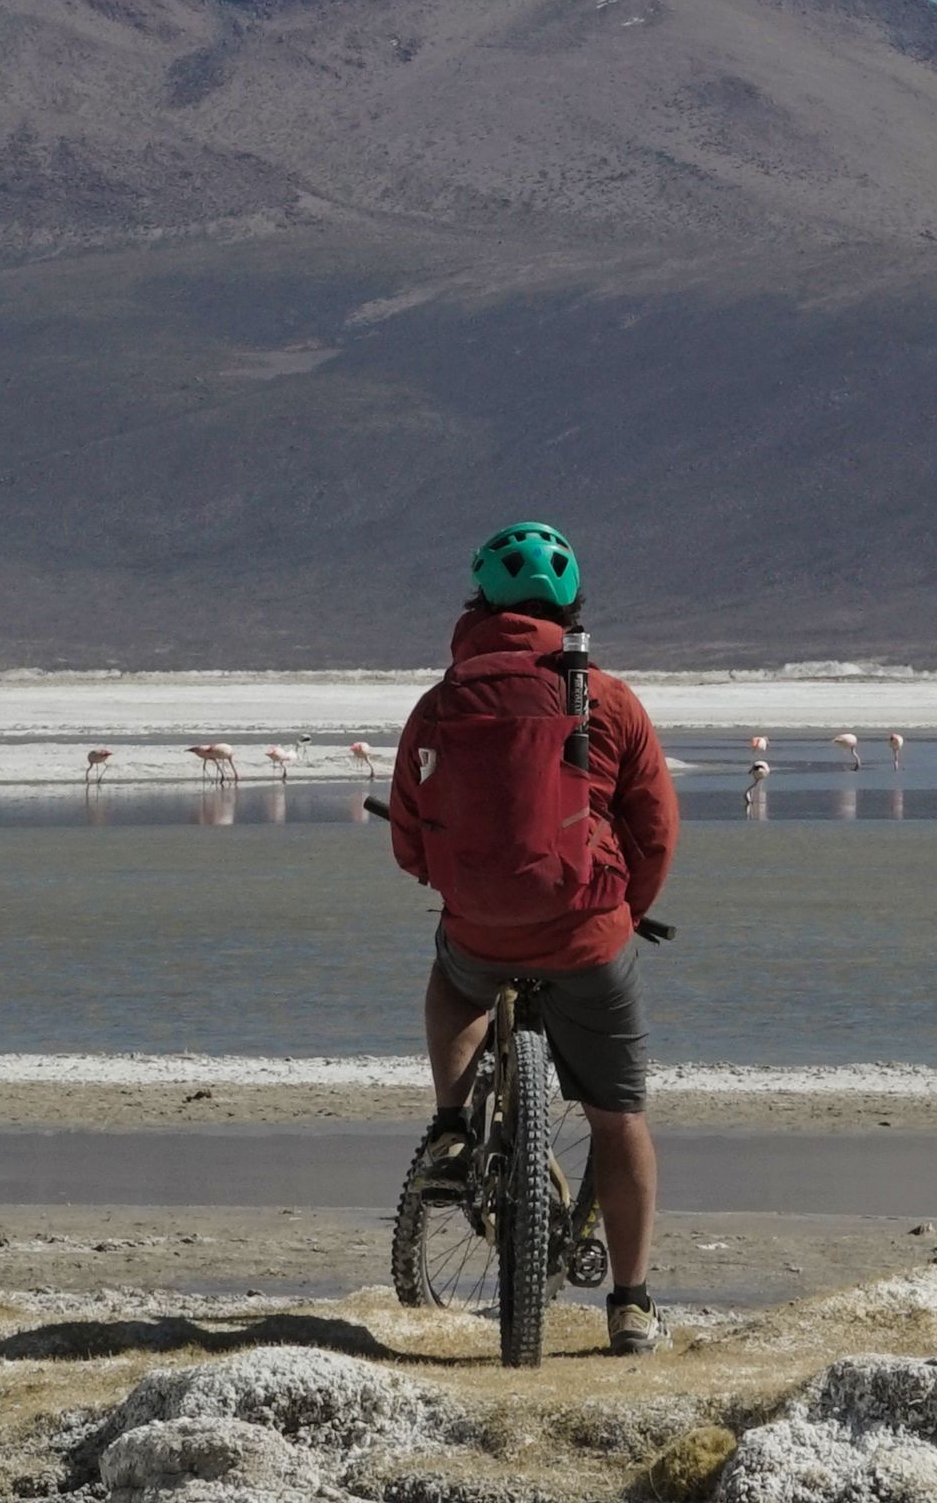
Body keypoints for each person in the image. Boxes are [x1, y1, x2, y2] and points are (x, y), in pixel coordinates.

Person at [385, 519, 679, 1356]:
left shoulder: (440, 703)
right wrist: (626, 908)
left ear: (479, 605)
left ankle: (451, 1128)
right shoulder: (608, 699)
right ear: (572, 611)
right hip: (589, 938)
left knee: (452, 982)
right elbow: (654, 830)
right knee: (619, 1117)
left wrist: (445, 885)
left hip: (479, 930)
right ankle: (630, 1302)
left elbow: (409, 827)